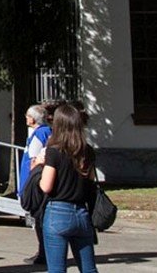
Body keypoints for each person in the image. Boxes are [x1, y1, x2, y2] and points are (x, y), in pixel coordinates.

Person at [33, 103, 99, 273]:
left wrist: (38, 166)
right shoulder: (87, 151)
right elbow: (91, 182)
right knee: (89, 269)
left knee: (57, 269)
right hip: (81, 212)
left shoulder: (54, 152)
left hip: (57, 211)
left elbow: (46, 186)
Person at [19, 104, 52, 265]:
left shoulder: (40, 133)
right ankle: (43, 251)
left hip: (35, 181)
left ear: (32, 118)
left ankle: (44, 253)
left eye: (27, 115)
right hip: (36, 179)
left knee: (39, 219)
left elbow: (34, 158)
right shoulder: (44, 131)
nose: (25, 117)